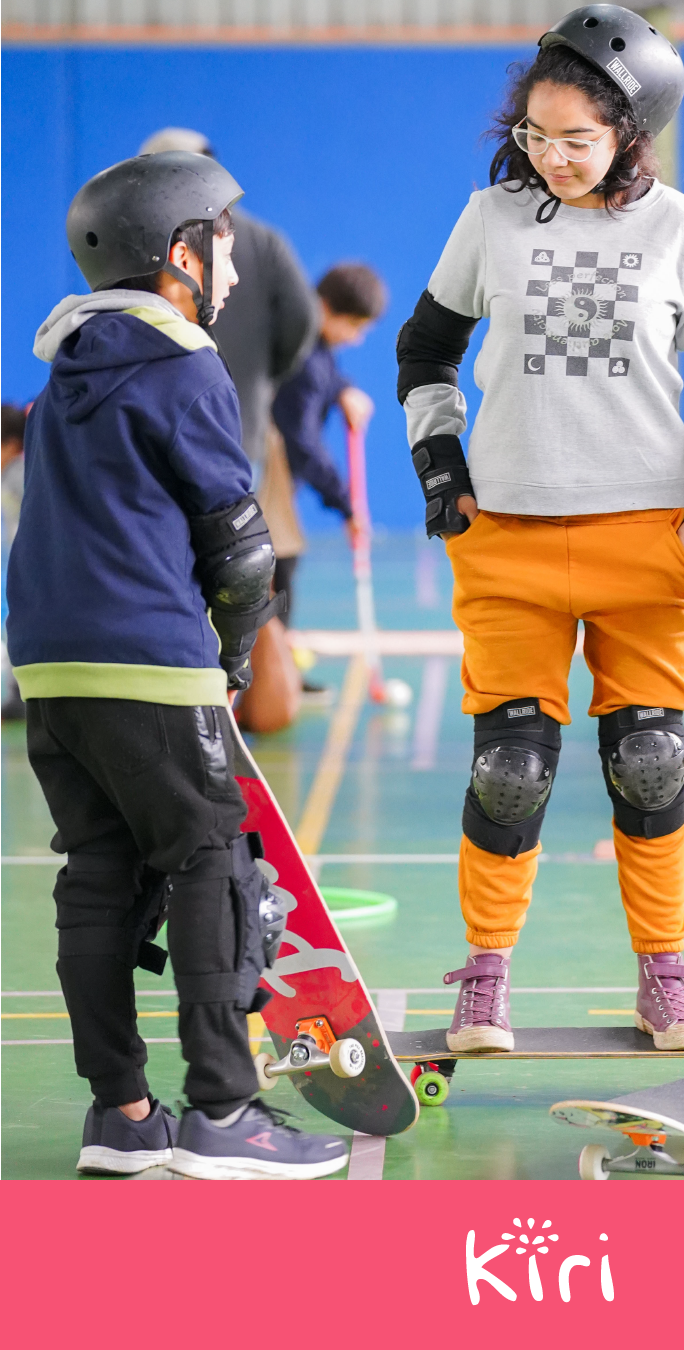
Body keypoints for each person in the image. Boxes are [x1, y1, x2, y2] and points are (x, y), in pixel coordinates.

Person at [397, 5, 684, 1054]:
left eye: (577, 139)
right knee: (509, 767)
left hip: (645, 537)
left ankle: (664, 973)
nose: (551, 156)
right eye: (535, 134)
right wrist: (440, 463)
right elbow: (425, 350)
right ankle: (486, 976)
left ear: (630, 135)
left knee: (650, 760)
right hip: (507, 535)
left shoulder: (683, 229)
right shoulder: (490, 218)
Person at [5, 152, 348, 1178]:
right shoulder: (185, 364)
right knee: (212, 860)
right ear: (181, 254)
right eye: (224, 246)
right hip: (147, 658)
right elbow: (239, 551)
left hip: (50, 664)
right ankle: (224, 1112)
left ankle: (121, 1117)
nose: (234, 269)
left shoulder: (67, 367)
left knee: (99, 872)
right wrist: (234, 656)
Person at [138, 129, 318, 479]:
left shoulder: (140, 239)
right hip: (239, 427)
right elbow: (302, 316)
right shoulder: (264, 240)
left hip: (157, 431)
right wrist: (264, 373)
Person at [268, 262, 387, 622]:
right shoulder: (303, 354)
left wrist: (343, 390)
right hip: (263, 469)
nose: (356, 339)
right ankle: (273, 652)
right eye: (354, 326)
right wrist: (346, 505)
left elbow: (326, 375)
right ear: (325, 308)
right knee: (276, 562)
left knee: (280, 559)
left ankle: (278, 649)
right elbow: (303, 444)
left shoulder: (308, 343)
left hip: (269, 469)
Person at [1, 403, 28, 719]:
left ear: (10, 444)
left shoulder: (21, 475)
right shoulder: (8, 476)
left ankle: (21, 693)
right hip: (16, 569)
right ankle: (17, 690)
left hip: (31, 569)